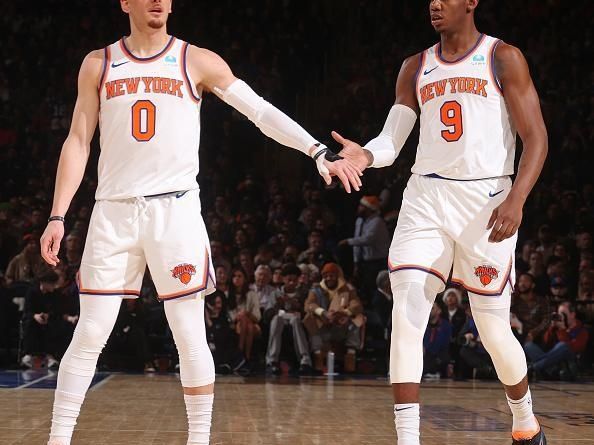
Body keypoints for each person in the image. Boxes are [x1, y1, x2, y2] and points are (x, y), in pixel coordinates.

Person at [39, 1, 363, 444]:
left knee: (189, 332)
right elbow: (78, 140)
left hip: (175, 211)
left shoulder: (197, 60)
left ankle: (198, 439)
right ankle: (58, 439)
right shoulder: (99, 63)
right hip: (113, 210)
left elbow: (260, 111)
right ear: (124, 3)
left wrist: (315, 149)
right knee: (90, 330)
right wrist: (58, 214)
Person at [332, 0, 548, 443]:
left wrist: (517, 199)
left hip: (486, 199)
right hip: (426, 196)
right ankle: (407, 438)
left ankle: (524, 418)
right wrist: (367, 155)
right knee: (408, 307)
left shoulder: (502, 57)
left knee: (492, 329)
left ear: (471, 2)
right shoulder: (415, 66)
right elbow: (393, 139)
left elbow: (537, 138)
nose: (434, 3)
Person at [304, 262, 364, 372]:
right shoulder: (316, 290)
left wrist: (344, 313)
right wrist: (323, 313)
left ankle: (351, 356)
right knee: (310, 319)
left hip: (340, 326)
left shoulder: (348, 289)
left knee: (358, 318)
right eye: (326, 276)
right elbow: (309, 305)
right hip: (323, 326)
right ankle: (318, 359)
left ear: (337, 276)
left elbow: (357, 305)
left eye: (331, 275)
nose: (329, 278)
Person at [338, 195, 390, 303]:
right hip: (364, 261)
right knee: (363, 289)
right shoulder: (359, 221)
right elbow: (358, 243)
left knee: (375, 289)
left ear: (369, 209)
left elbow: (367, 240)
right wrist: (356, 262)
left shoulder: (377, 222)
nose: (359, 208)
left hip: (377, 261)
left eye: (362, 206)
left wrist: (348, 241)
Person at [265, 263, 313, 375]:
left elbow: (307, 312)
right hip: (280, 320)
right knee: (277, 319)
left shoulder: (303, 294)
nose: (292, 282)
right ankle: (272, 361)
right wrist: (278, 306)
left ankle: (305, 360)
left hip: (296, 322)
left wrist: (297, 306)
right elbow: (267, 314)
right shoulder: (275, 294)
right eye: (289, 279)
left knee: (296, 319)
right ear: (283, 279)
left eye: (294, 280)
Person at [524, 301, 589, 380]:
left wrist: (562, 330)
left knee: (562, 345)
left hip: (568, 362)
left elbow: (573, 348)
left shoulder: (582, 330)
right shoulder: (556, 327)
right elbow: (546, 343)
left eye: (564, 314)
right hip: (553, 361)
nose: (561, 317)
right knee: (529, 345)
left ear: (572, 315)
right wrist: (552, 328)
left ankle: (534, 367)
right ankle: (549, 369)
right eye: (559, 314)